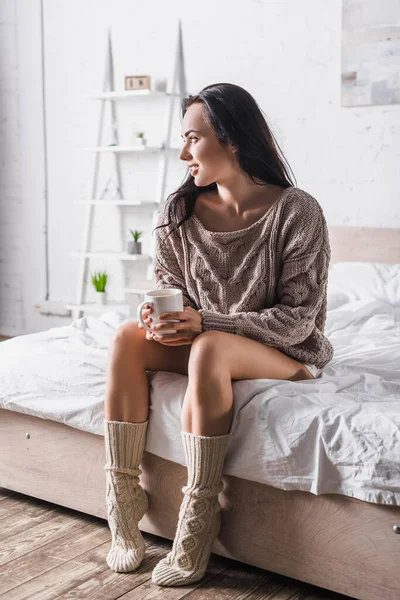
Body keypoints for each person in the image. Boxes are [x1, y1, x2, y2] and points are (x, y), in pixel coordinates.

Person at [103, 82, 334, 587]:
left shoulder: (297, 212)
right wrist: (158, 319)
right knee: (125, 338)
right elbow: (172, 291)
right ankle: (123, 504)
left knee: (208, 346)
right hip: (211, 343)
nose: (184, 153)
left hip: (287, 351)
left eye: (194, 138)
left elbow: (298, 319)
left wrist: (206, 321)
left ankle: (199, 515)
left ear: (232, 140)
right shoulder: (178, 211)